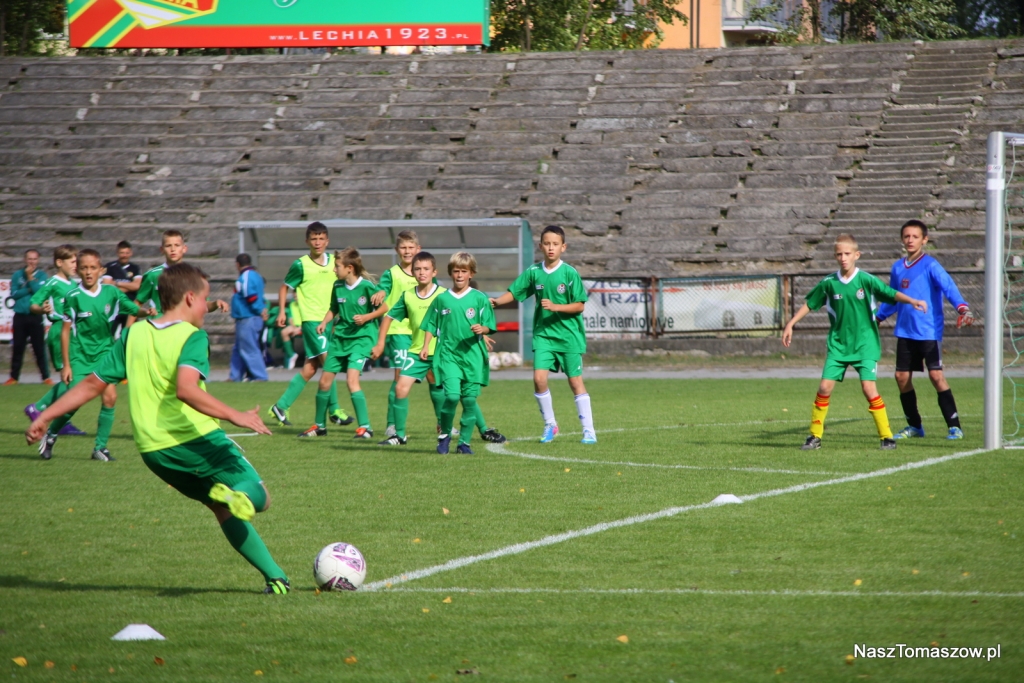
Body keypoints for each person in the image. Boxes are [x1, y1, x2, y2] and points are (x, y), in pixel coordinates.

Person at [26, 263, 290, 594]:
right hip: (198, 440)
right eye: (204, 300)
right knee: (260, 496)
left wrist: (46, 416)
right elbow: (186, 389)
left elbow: (92, 384)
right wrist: (235, 415)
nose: (206, 309)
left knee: (221, 507)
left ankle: (276, 579)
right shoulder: (192, 336)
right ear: (190, 298)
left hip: (155, 452)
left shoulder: (134, 334)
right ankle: (242, 496)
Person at [783, 234, 928, 450]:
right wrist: (791, 323)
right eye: (839, 254)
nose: (843, 258)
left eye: (847, 254)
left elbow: (891, 293)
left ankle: (886, 437)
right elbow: (810, 304)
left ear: (856, 255)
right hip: (838, 345)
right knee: (824, 387)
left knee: (869, 389)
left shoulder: (866, 280)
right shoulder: (829, 283)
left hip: (865, 345)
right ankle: (814, 436)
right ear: (835, 256)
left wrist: (912, 300)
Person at [35, 249, 150, 461]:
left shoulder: (111, 292)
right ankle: (51, 435)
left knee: (110, 397)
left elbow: (133, 308)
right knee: (74, 402)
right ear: (78, 271)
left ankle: (100, 448)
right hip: (80, 356)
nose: (88, 272)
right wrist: (67, 365)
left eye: (93, 268)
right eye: (84, 268)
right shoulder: (73, 296)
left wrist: (146, 312)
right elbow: (65, 331)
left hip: (105, 354)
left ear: (101, 270)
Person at [490, 225, 596, 444]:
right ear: (540, 246)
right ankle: (550, 425)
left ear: (563, 247)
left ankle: (588, 430)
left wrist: (556, 307)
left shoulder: (569, 273)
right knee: (538, 379)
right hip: (544, 335)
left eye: (555, 244)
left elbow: (579, 305)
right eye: (547, 243)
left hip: (568, 336)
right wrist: (497, 302)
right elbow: (515, 292)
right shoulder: (534, 272)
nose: (551, 247)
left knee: (575, 382)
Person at [875, 219, 975, 440]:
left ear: (924, 240)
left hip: (928, 332)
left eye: (915, 236)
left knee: (936, 375)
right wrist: (879, 316)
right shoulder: (897, 267)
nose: (910, 240)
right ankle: (915, 426)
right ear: (902, 239)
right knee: (901, 377)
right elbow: (893, 297)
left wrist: (962, 308)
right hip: (905, 331)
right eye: (907, 236)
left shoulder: (931, 265)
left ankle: (954, 426)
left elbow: (948, 286)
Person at [267, 222, 351, 428]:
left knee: (310, 368)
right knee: (330, 364)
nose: (317, 242)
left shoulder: (334, 263)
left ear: (327, 241)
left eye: (321, 238)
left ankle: (280, 406)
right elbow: (284, 287)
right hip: (312, 322)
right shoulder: (301, 265)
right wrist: (281, 312)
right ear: (307, 241)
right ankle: (335, 411)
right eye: (314, 239)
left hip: (329, 321)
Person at [299, 248, 388, 439]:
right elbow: (333, 308)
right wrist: (324, 322)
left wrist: (367, 317)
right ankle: (319, 426)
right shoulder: (338, 285)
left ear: (350, 268)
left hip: (362, 339)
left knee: (351, 380)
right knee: (324, 382)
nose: (334, 269)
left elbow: (385, 308)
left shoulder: (366, 286)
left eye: (337, 266)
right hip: (340, 339)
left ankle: (366, 427)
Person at [422, 252, 497, 455]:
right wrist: (426, 346)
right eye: (456, 271)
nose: (460, 275)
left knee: (470, 401)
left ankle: (464, 443)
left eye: (464, 271)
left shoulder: (479, 298)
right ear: (450, 273)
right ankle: (445, 434)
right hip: (449, 355)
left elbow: (489, 325)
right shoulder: (442, 299)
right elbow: (431, 324)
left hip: (472, 356)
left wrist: (482, 329)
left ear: (471, 273)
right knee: (453, 396)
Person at [371, 251, 446, 446]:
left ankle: (468, 428)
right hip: (417, 351)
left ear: (434, 272)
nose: (422, 272)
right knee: (400, 387)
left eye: (426, 269)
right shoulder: (408, 296)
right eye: (418, 269)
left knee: (456, 393)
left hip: (441, 352)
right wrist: (380, 343)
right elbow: (388, 317)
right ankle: (399, 435)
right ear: (412, 272)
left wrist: (481, 335)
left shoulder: (444, 295)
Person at [23, 245, 87, 437]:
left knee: (75, 379)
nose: (76, 265)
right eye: (72, 262)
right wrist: (42, 309)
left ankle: (56, 418)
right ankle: (41, 409)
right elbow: (33, 304)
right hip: (60, 332)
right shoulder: (52, 283)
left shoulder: (73, 284)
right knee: (70, 379)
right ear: (59, 262)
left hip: (73, 333)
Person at [373, 230, 422, 439]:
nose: (407, 251)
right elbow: (383, 288)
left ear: (418, 249)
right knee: (401, 377)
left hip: (422, 333)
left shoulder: (424, 272)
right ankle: (392, 424)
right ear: (396, 250)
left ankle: (443, 425)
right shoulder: (392, 273)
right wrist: (381, 292)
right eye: (403, 247)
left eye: (411, 247)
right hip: (399, 331)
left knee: (435, 378)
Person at [127, 230, 228, 325]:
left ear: (184, 248)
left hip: (183, 327)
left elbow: (203, 304)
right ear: (162, 249)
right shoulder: (153, 275)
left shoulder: (193, 275)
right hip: (158, 327)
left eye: (177, 245)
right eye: (168, 246)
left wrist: (215, 304)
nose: (173, 249)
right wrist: (127, 330)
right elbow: (137, 303)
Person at [6, 249, 50, 385]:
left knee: (39, 348)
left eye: (34, 259)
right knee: (18, 348)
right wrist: (29, 288)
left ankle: (46, 377)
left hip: (35, 316)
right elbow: (14, 294)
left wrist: (30, 278)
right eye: (30, 259)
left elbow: (39, 292)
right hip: (20, 316)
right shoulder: (17, 275)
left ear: (38, 260)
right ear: (25, 260)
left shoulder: (42, 275)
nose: (32, 262)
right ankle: (14, 377)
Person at [229, 254, 268, 382]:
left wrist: (259, 310)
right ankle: (235, 376)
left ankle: (260, 376)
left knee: (249, 348)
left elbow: (251, 296)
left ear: (237, 264)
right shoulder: (257, 276)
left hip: (248, 317)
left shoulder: (246, 277)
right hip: (248, 318)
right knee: (239, 349)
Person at [102, 240, 142, 338]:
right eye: (122, 253)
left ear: (131, 253)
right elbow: (107, 286)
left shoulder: (135, 268)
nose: (124, 255)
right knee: (108, 335)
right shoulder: (110, 267)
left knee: (129, 336)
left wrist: (117, 283)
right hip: (113, 306)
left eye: (127, 253)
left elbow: (137, 286)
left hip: (129, 307)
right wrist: (129, 286)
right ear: (117, 253)